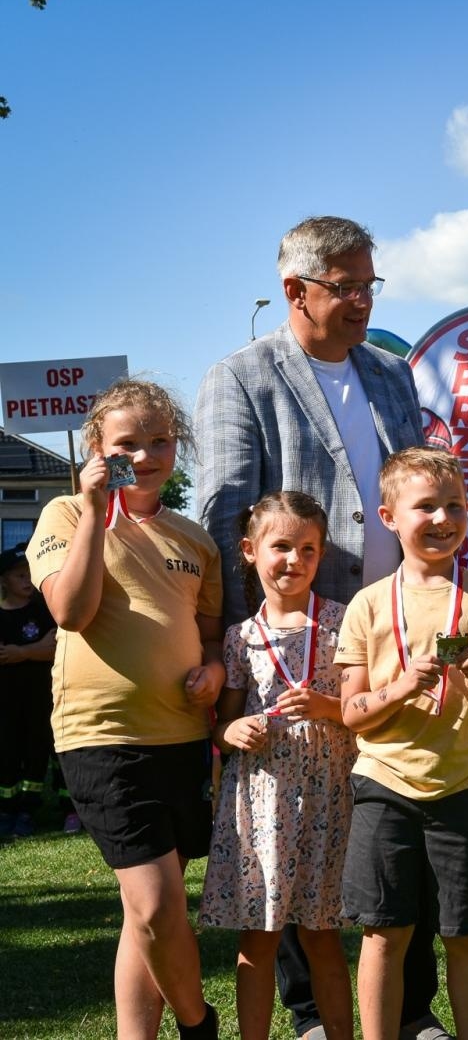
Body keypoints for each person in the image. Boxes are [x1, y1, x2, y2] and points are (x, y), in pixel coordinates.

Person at [194, 214, 438, 1040]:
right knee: (297, 836)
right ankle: (309, 1011)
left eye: (370, 284)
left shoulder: (392, 375)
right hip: (295, 655)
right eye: (346, 286)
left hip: (394, 635)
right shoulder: (241, 378)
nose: (364, 299)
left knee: (397, 818)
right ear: (295, 290)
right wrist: (242, 653)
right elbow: (226, 513)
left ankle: (410, 1007)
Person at [29, 379, 224, 1040]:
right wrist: (93, 510)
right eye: (127, 444)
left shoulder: (195, 540)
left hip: (182, 738)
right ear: (96, 447)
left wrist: (214, 669)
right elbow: (70, 611)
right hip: (100, 738)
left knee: (144, 914)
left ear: (179, 446)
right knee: (157, 904)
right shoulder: (64, 515)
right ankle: (198, 1024)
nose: (144, 456)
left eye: (161, 441)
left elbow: (212, 635)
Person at [335, 448, 468, 1040]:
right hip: (385, 785)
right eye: (426, 506)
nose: (443, 518)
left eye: (455, 505)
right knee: (384, 932)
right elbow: (351, 713)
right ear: (389, 517)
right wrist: (400, 688)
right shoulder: (369, 603)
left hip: (466, 787)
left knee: (466, 935)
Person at [200, 493, 357, 1040]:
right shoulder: (239, 637)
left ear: (322, 554)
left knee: (322, 935)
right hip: (261, 804)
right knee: (258, 937)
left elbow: (363, 711)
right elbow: (222, 723)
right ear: (250, 550)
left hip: (327, 799)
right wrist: (230, 731)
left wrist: (326, 707)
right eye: (282, 546)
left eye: (308, 548)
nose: (294, 559)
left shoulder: (343, 623)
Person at [0, 542, 58, 837]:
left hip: (39, 699)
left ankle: (28, 810)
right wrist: (36, 650)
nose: (27, 581)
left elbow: (53, 647)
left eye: (29, 574)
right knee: (6, 753)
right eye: (20, 575)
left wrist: (21, 653)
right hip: (6, 702)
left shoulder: (43, 611)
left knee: (37, 751)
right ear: (4, 581)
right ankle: (6, 809)